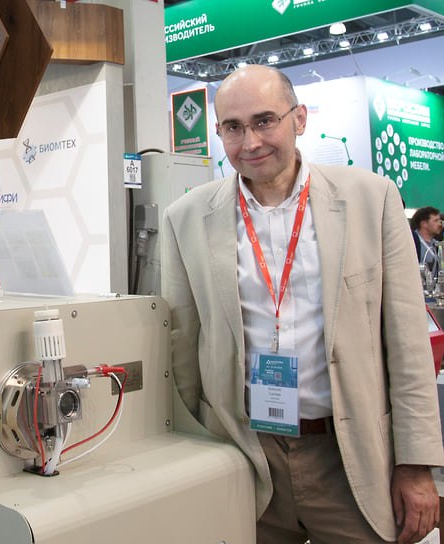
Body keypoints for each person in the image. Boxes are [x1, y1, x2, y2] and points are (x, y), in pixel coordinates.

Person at [162, 65, 443, 544]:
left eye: (264, 121)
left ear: (300, 119)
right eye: (233, 127)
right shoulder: (185, 218)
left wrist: (416, 466)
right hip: (244, 456)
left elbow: (407, 343)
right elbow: (182, 351)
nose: (250, 142)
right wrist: (195, 455)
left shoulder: (370, 198)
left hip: (349, 455)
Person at [410, 206, 442, 274]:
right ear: (424, 224)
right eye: (436, 221)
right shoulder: (412, 242)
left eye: (440, 220)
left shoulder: (437, 244)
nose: (440, 224)